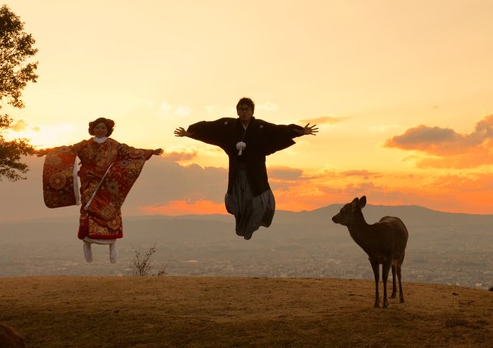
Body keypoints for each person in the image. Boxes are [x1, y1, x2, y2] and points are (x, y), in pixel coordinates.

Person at [174, 97, 317, 240]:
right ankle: (243, 225)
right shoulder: (228, 125)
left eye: (247, 109)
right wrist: (190, 132)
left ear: (252, 111)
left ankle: (252, 226)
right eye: (241, 109)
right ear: (237, 111)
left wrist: (300, 131)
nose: (244, 112)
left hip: (256, 170)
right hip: (238, 171)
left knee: (258, 202)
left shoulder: (261, 127)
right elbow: (211, 128)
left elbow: (278, 130)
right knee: (237, 202)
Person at [43, 117, 162, 263]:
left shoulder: (115, 145)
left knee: (111, 210)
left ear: (108, 130)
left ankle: (112, 245)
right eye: (97, 127)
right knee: (87, 209)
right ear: (93, 129)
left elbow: (131, 151)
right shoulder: (84, 145)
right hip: (88, 182)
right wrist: (47, 151)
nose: (100, 130)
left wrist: (151, 152)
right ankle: (87, 243)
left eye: (103, 128)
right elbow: (67, 150)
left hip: (107, 182)